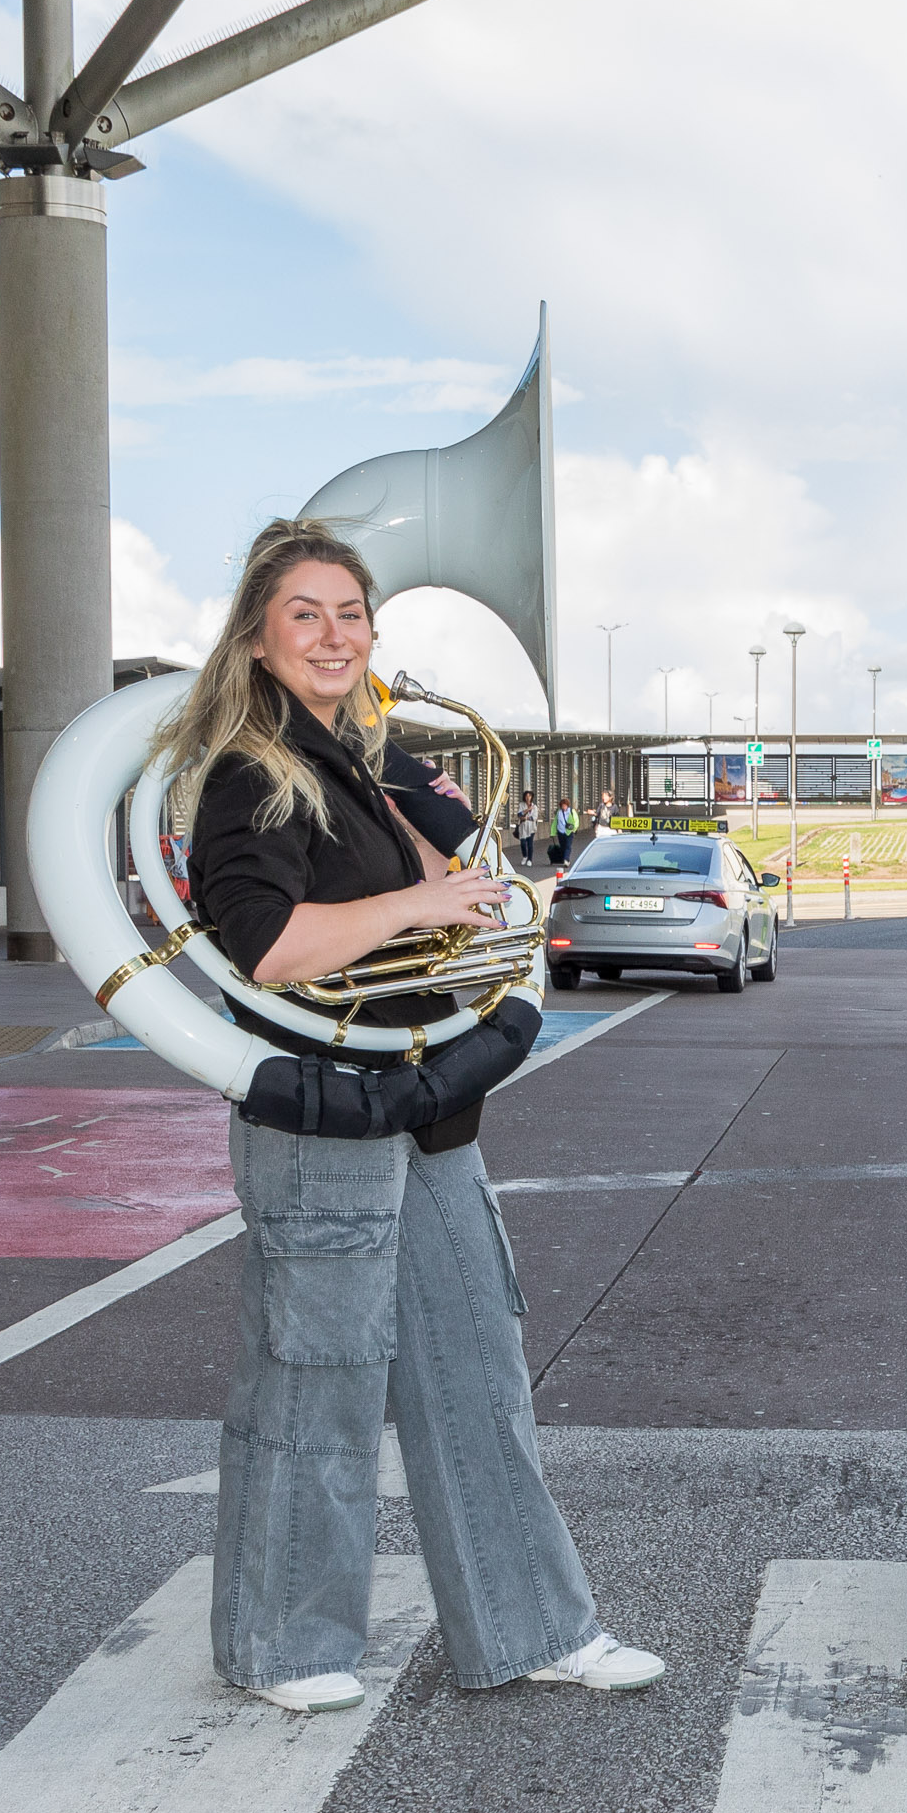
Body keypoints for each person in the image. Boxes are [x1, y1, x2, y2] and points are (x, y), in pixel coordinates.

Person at [175, 519, 661, 1711]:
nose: (335, 633)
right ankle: (285, 1646)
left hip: (425, 1104)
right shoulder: (253, 770)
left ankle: (534, 1626)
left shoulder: (371, 762)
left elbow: (459, 896)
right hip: (321, 1111)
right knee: (315, 1380)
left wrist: (465, 896)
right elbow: (272, 946)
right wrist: (417, 900)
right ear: (256, 635)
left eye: (352, 612)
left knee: (477, 1372)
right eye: (307, 612)